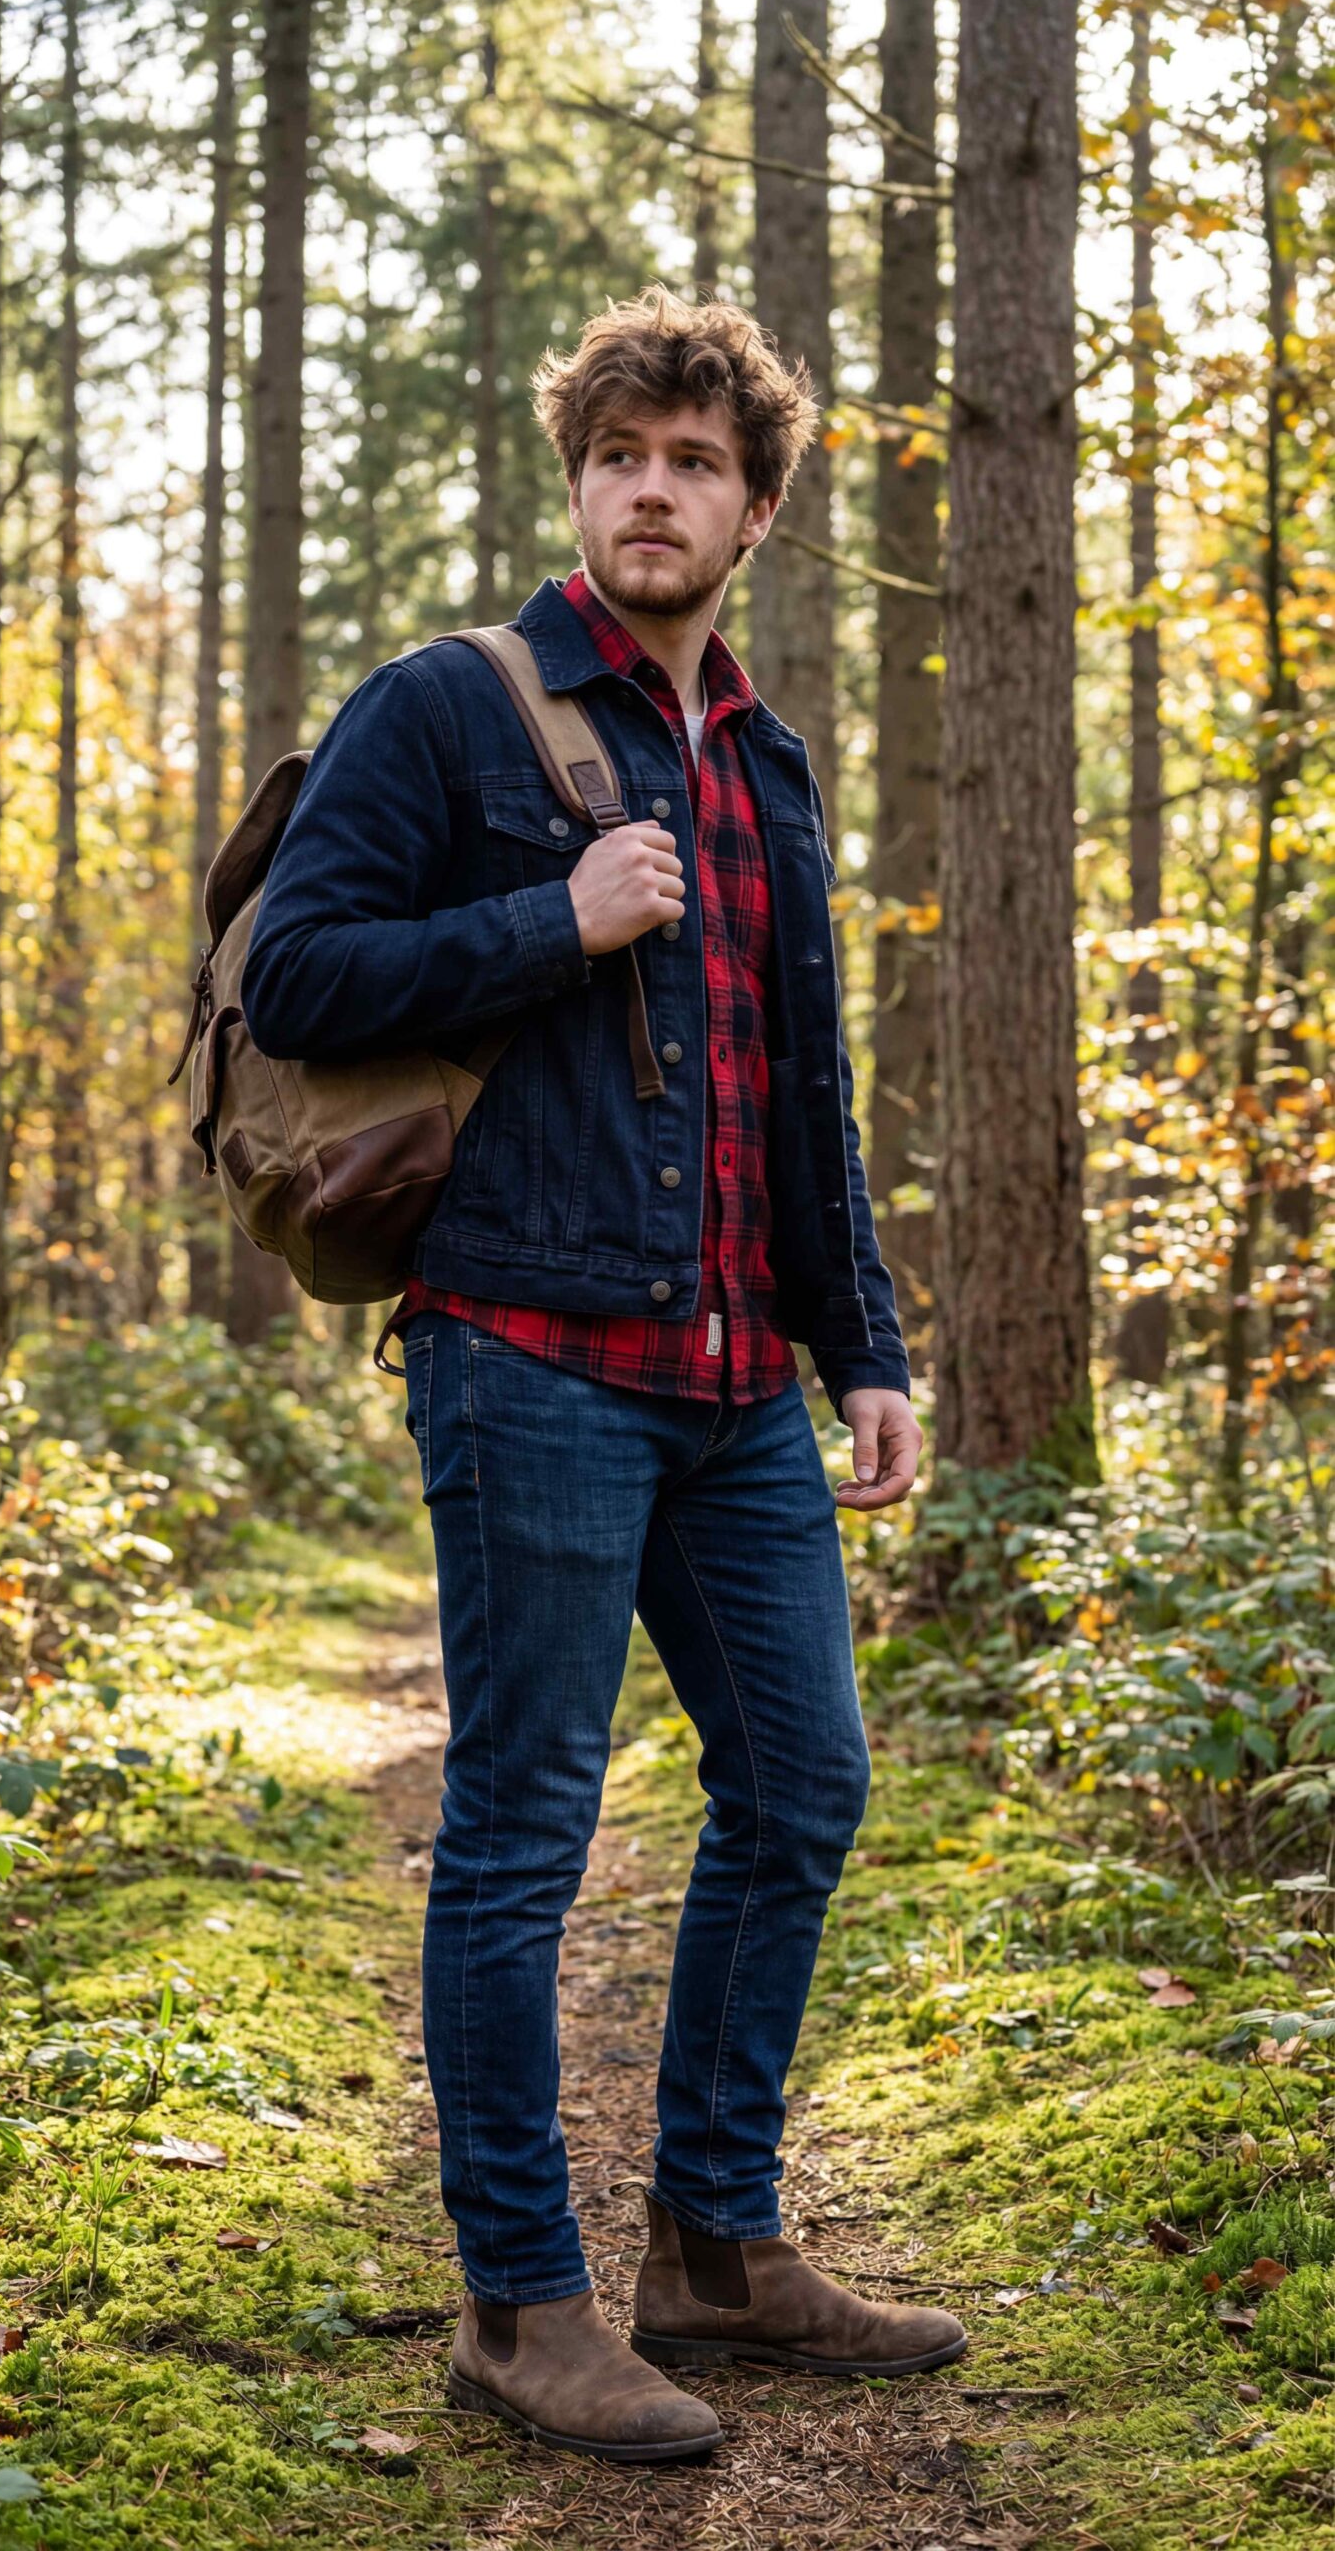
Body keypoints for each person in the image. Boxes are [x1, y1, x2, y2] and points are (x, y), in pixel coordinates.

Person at [241, 283, 966, 2463]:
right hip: (528, 1351)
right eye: (622, 455)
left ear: (754, 509)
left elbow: (799, 1079)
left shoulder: (763, 754)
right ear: (579, 479)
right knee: (525, 1829)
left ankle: (716, 2248)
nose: (654, 490)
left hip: (740, 1375)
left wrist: (866, 1344)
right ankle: (517, 2299)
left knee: (804, 1783)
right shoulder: (448, 713)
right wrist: (552, 916)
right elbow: (295, 964)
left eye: (697, 464)